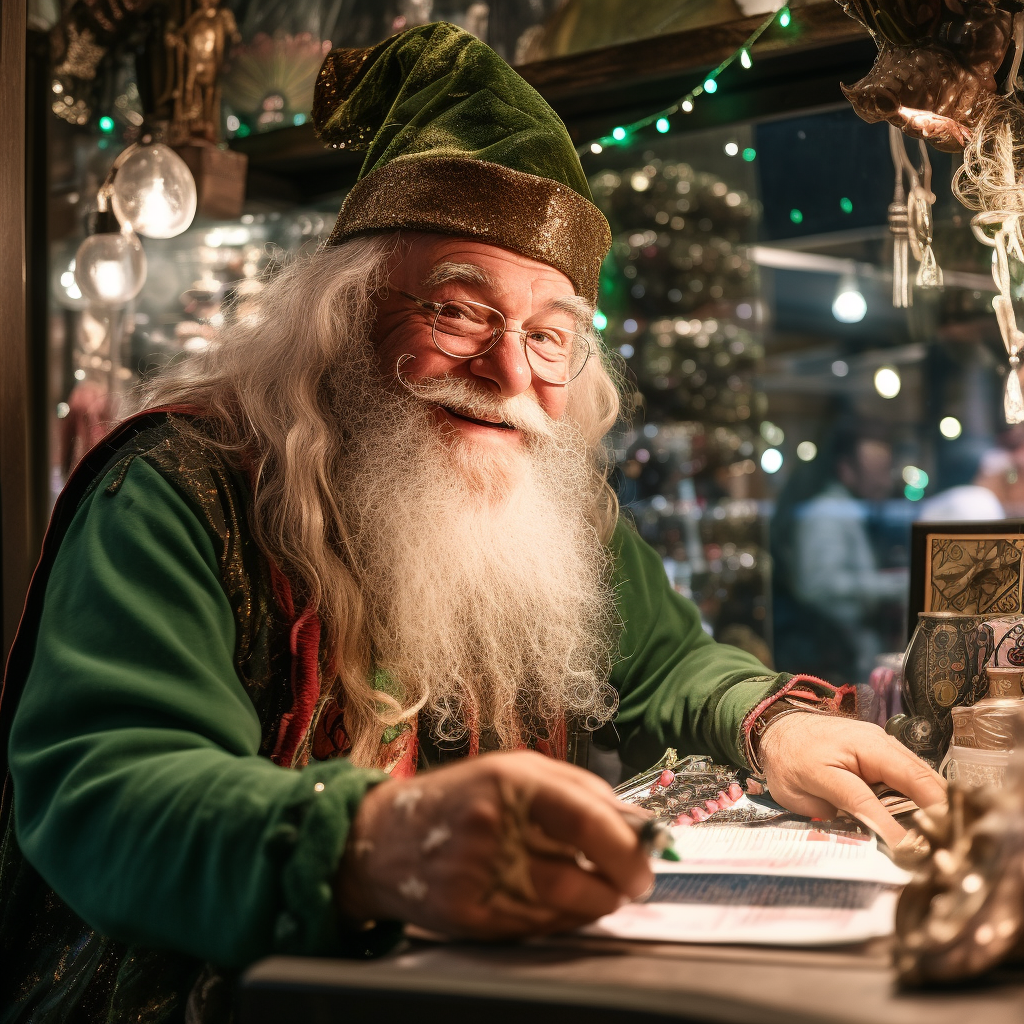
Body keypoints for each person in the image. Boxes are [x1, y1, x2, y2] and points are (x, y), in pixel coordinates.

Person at [0, 23, 945, 1022]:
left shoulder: (553, 505)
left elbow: (668, 665)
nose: (509, 375)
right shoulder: (177, 485)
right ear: (344, 313)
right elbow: (109, 785)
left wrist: (774, 724)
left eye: (548, 335)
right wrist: (369, 843)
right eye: (456, 310)